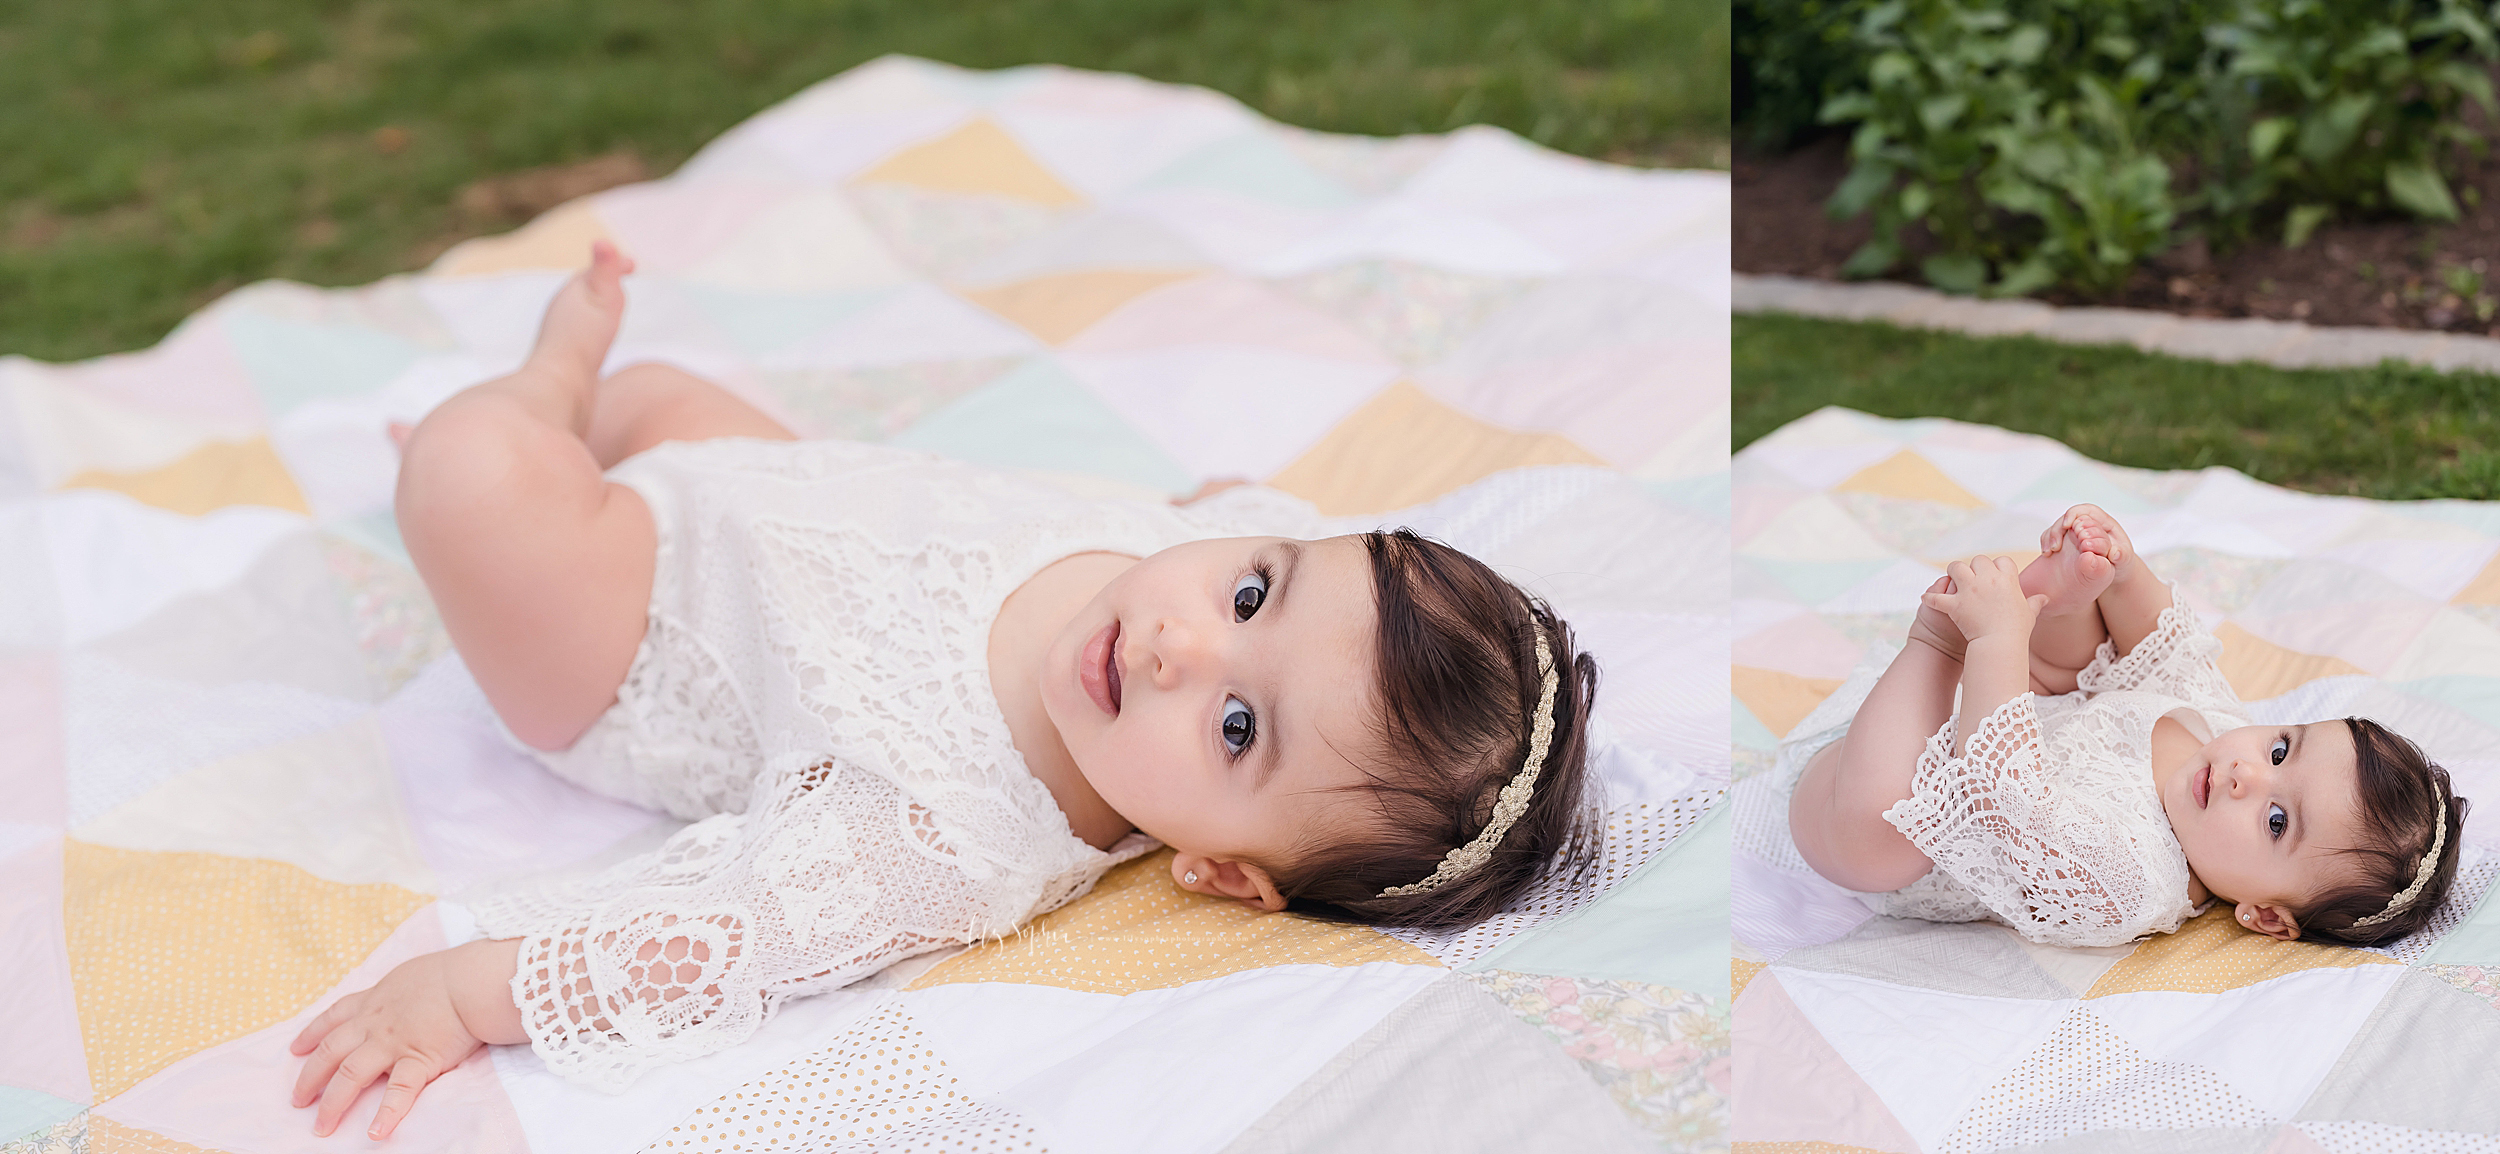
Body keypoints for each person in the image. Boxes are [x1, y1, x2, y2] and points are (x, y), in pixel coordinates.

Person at [286, 243, 1602, 1137]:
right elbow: (1256, 530)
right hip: (767, 504)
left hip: (627, 638)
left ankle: (524, 418)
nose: (1181, 645)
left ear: (1222, 872)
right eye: (1253, 590)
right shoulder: (1214, 566)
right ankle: (558, 438)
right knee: (659, 397)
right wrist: (1225, 530)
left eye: (1237, 727)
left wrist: (466, 994)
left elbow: (709, 945)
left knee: (474, 476)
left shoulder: (939, 837)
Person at [1782, 502, 2467, 952]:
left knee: (1880, 843)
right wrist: (2122, 569)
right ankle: (2058, 594)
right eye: (2283, 748)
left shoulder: (2131, 884)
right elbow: (2159, 652)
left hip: (1882, 793)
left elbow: (2003, 791)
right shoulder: (2217, 733)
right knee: (2093, 663)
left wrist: (1992, 647)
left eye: (2277, 821)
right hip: (1985, 710)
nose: (2246, 774)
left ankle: (1940, 640)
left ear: (2263, 913)